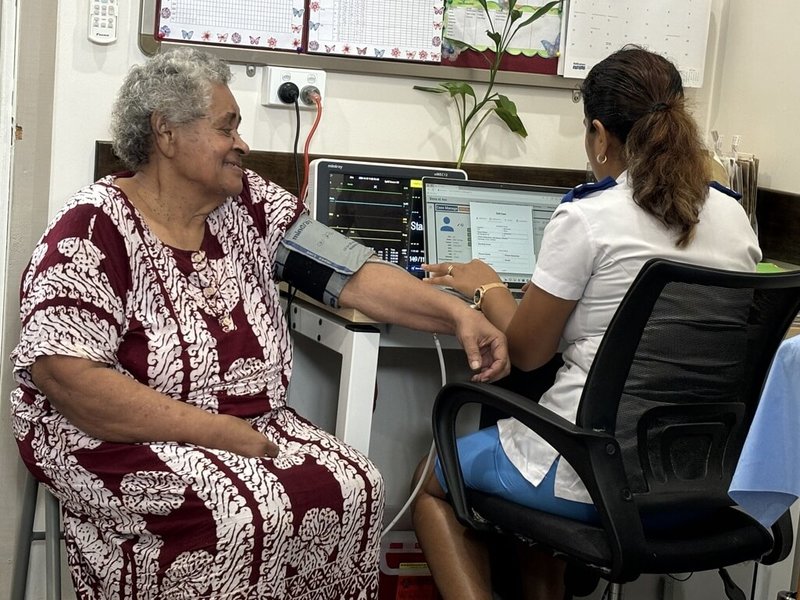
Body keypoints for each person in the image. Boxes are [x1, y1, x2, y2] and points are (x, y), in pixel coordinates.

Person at [9, 47, 509, 600]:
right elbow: (66, 377)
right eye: (227, 128)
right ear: (167, 133)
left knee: (358, 485)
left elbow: (354, 274)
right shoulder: (91, 227)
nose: (242, 145)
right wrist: (217, 433)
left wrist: (456, 312)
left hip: (250, 422)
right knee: (241, 513)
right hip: (115, 433)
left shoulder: (250, 206)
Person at [410, 45, 762, 600]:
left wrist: (487, 286)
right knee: (533, 484)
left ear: (599, 135)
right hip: (698, 483)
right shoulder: (734, 214)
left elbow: (528, 352)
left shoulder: (589, 216)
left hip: (592, 478)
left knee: (433, 484)